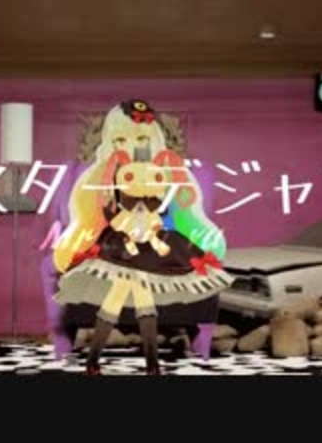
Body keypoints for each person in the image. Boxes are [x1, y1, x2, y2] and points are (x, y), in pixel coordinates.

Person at [53, 99, 232, 375]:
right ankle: (130, 362)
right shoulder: (107, 175)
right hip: (120, 250)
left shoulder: (164, 174)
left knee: (135, 304)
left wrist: (159, 233)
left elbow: (174, 213)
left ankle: (130, 362)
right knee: (128, 304)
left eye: (140, 138)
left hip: (148, 252)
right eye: (120, 139)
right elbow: (105, 215)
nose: (132, 147)